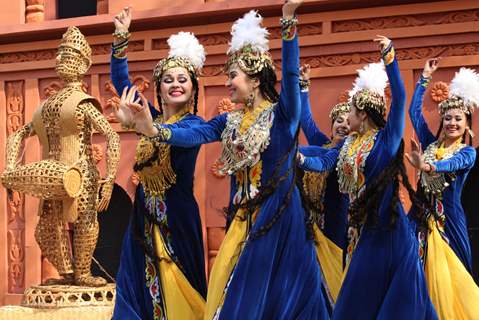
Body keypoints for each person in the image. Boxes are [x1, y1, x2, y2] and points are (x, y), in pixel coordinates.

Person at [120, 1, 332, 319]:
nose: (227, 82)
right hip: (243, 220)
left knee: (274, 296)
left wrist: (289, 24)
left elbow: (289, 74)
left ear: (256, 80)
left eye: (233, 75)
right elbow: (195, 135)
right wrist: (154, 130)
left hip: (278, 220)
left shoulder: (283, 115)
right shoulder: (228, 121)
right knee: (230, 291)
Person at [2, 26, 120, 287]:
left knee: (84, 223)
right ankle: (68, 275)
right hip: (53, 171)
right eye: (60, 55)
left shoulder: (83, 102)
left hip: (82, 173)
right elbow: (18, 134)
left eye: (68, 56)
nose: (60, 60)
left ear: (84, 63)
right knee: (46, 230)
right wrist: (10, 170)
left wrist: (110, 178)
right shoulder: (47, 106)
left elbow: (111, 136)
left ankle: (83, 274)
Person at [329, 36, 438, 319]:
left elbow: (400, 98)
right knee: (355, 302)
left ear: (362, 113)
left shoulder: (385, 141)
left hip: (388, 233)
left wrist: (389, 57)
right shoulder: (348, 145)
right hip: (361, 233)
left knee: (384, 303)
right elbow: (323, 157)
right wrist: (298, 158)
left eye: (350, 111)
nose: (346, 117)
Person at [110, 7, 207, 319]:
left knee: (181, 293)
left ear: (192, 88)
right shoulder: (147, 115)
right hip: (143, 218)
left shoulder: (195, 124)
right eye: (167, 80)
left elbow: (181, 138)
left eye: (182, 79)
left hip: (176, 220)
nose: (175, 84)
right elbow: (121, 80)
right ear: (159, 88)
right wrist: (121, 37)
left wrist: (151, 129)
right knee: (136, 285)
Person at [406, 59, 479, 319]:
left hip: (449, 222)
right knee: (413, 271)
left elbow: (453, 164)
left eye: (458, 118)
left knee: (453, 280)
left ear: (466, 124)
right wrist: (424, 77)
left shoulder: (467, 152)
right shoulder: (429, 143)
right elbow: (415, 113)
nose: (452, 123)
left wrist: (426, 166)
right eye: (447, 117)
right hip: (418, 218)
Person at [295, 64, 350, 305]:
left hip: (336, 224)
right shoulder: (321, 145)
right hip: (310, 223)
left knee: (335, 279)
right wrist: (303, 86)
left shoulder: (350, 154)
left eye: (349, 121)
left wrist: (298, 158)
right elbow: (306, 120)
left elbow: (324, 164)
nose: (343, 125)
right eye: (339, 120)